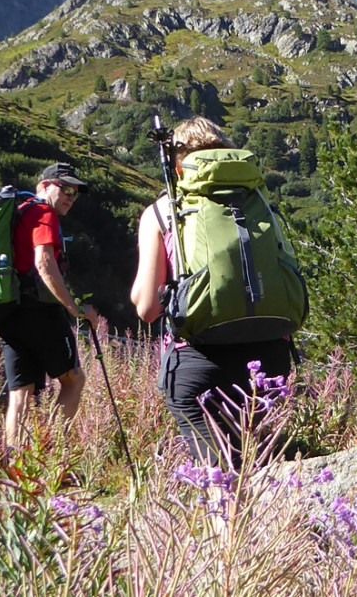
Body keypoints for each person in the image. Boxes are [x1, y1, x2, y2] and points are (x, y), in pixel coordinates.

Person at [131, 117, 296, 465]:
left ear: (178, 165)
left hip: (199, 362)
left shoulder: (162, 212)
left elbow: (147, 308)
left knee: (220, 481)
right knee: (255, 466)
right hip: (271, 358)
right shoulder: (260, 203)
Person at [0, 161, 100, 450]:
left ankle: (15, 464)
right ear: (44, 186)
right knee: (74, 381)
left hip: (9, 310)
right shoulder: (44, 213)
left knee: (21, 392)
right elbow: (44, 262)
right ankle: (50, 455)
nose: (71, 196)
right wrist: (74, 309)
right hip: (40, 313)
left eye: (76, 192)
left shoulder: (18, 213)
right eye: (65, 188)